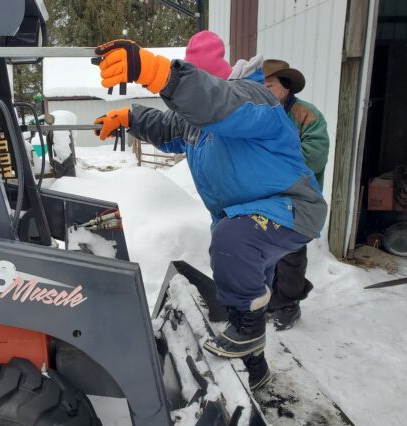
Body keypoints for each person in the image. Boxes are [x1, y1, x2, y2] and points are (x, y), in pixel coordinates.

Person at [92, 31, 327, 390]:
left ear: (212, 79)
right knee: (242, 298)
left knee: (231, 244)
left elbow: (216, 102)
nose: (188, 107)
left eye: (194, 86)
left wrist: (158, 72)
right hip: (248, 218)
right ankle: (256, 369)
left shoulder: (253, 100)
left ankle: (249, 333)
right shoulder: (196, 121)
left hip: (291, 209)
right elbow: (172, 127)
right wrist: (130, 117)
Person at [263, 59, 330, 330]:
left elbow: (314, 156)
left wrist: (271, 161)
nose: (264, 90)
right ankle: (268, 299)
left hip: (298, 199)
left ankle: (288, 305)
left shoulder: (307, 115)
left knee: (291, 252)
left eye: (269, 85)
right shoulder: (259, 114)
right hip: (266, 196)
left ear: (286, 87)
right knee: (265, 251)